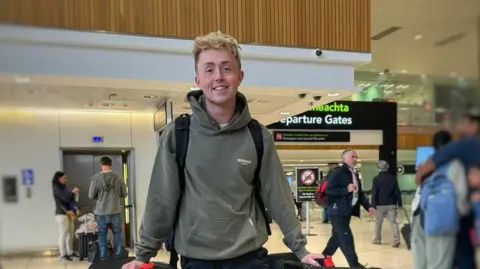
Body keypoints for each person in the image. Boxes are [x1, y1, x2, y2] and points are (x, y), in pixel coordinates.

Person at [122, 31, 324, 269]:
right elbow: (161, 198)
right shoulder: (178, 134)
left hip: (249, 256)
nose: (218, 77)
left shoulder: (258, 136)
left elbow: (278, 196)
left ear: (240, 76)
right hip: (196, 257)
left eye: (226, 68)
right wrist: (143, 255)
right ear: (198, 80)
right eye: (209, 69)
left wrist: (300, 250)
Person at [416, 114, 480, 269]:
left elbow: (423, 173)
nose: (460, 127)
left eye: (464, 123)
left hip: (455, 215)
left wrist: (421, 177)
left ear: (473, 125)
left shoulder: (465, 146)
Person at [411, 130, 469, 269]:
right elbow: (461, 197)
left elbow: (419, 186)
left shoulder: (426, 162)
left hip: (419, 216)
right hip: (440, 219)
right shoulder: (455, 165)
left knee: (421, 263)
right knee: (439, 264)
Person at [322, 148, 375, 268]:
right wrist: (346, 190)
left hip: (346, 211)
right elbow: (329, 190)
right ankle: (355, 265)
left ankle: (324, 258)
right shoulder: (338, 172)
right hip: (337, 212)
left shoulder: (354, 174)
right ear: (344, 159)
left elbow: (359, 193)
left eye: (356, 157)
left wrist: (368, 206)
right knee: (346, 238)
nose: (355, 159)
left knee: (337, 236)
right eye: (353, 157)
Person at [88, 156, 128, 260]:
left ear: (101, 165)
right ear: (111, 165)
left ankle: (103, 258)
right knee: (117, 235)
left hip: (101, 212)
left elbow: (91, 196)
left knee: (102, 236)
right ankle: (119, 257)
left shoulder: (95, 179)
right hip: (115, 211)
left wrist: (100, 196)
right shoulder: (118, 177)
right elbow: (124, 193)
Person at [371, 160, 402, 247]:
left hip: (380, 204)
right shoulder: (393, 178)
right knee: (393, 222)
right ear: (387, 167)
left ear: (379, 168)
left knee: (378, 222)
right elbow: (397, 192)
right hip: (391, 204)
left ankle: (377, 239)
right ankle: (396, 239)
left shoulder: (376, 179)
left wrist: (373, 205)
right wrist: (399, 203)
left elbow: (374, 193)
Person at [52, 171, 80, 262]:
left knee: (71, 234)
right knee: (63, 234)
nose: (65, 179)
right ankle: (63, 254)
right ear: (58, 178)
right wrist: (72, 192)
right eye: (64, 178)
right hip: (62, 213)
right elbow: (65, 197)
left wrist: (74, 194)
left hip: (70, 213)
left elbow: (70, 198)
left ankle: (70, 252)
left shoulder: (65, 187)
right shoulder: (56, 188)